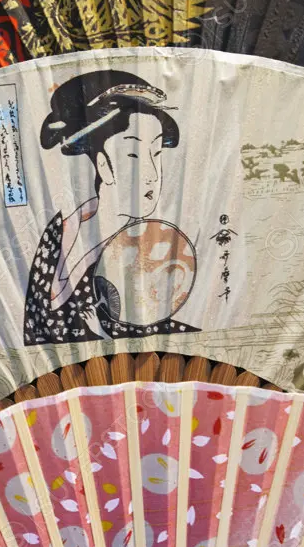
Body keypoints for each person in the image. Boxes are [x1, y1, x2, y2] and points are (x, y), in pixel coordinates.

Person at [23, 70, 198, 346]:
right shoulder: (59, 233)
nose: (152, 173)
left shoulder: (158, 245)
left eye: (156, 153)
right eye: (133, 154)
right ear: (103, 164)